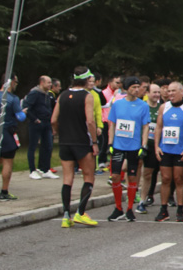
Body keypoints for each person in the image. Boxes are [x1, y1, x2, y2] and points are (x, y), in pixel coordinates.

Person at [51, 66, 100, 227]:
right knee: (88, 176)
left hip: (65, 142)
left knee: (67, 178)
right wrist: (94, 141)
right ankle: (80, 212)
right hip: (81, 141)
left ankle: (66, 215)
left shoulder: (63, 95)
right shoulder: (87, 96)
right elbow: (90, 121)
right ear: (86, 80)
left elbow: (53, 120)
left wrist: (58, 132)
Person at [105, 76, 150, 222]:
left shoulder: (143, 105)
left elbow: (145, 127)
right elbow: (112, 124)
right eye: (133, 87)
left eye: (138, 87)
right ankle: (118, 208)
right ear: (126, 88)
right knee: (116, 176)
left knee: (132, 177)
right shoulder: (117, 104)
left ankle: (130, 208)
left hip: (134, 147)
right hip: (118, 145)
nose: (136, 90)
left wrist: (143, 145)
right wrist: (110, 144)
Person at [154, 81, 183, 223]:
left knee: (179, 179)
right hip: (165, 148)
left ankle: (180, 208)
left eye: (173, 91)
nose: (170, 93)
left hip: (180, 150)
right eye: (169, 91)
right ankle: (163, 209)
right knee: (166, 178)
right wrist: (156, 146)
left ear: (181, 92)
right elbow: (159, 127)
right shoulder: (164, 107)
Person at [0, 74, 26, 201]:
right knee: (8, 160)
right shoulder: (12, 98)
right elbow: (20, 117)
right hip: (7, 131)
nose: (16, 85)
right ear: (12, 82)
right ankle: (4, 190)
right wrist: (23, 112)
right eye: (16, 82)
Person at [24, 75, 57, 179]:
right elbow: (26, 107)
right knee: (33, 146)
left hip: (47, 122)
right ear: (42, 83)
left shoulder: (47, 95)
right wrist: (35, 119)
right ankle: (32, 170)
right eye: (48, 82)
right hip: (37, 123)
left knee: (48, 146)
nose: (50, 85)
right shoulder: (34, 93)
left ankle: (45, 168)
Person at [137, 83, 163, 214]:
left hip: (155, 145)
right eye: (154, 92)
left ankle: (142, 200)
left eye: (158, 92)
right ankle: (134, 192)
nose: (157, 95)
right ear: (147, 93)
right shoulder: (142, 106)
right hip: (140, 144)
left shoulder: (162, 107)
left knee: (148, 173)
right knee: (130, 169)